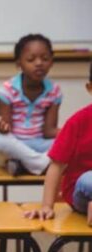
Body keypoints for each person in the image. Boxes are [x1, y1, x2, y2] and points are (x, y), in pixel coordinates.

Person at [25, 62, 92, 226]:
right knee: (88, 179)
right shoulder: (78, 122)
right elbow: (56, 166)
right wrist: (47, 206)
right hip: (82, 189)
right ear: (90, 88)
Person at [0, 34, 62, 176]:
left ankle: (22, 165)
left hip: (39, 145)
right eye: (31, 59)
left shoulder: (54, 92)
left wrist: (69, 134)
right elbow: (6, 130)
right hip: (15, 144)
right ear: (19, 63)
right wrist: (1, 127)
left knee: (65, 143)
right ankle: (42, 164)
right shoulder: (7, 90)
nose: (39, 63)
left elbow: (49, 131)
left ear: (52, 62)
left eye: (45, 59)